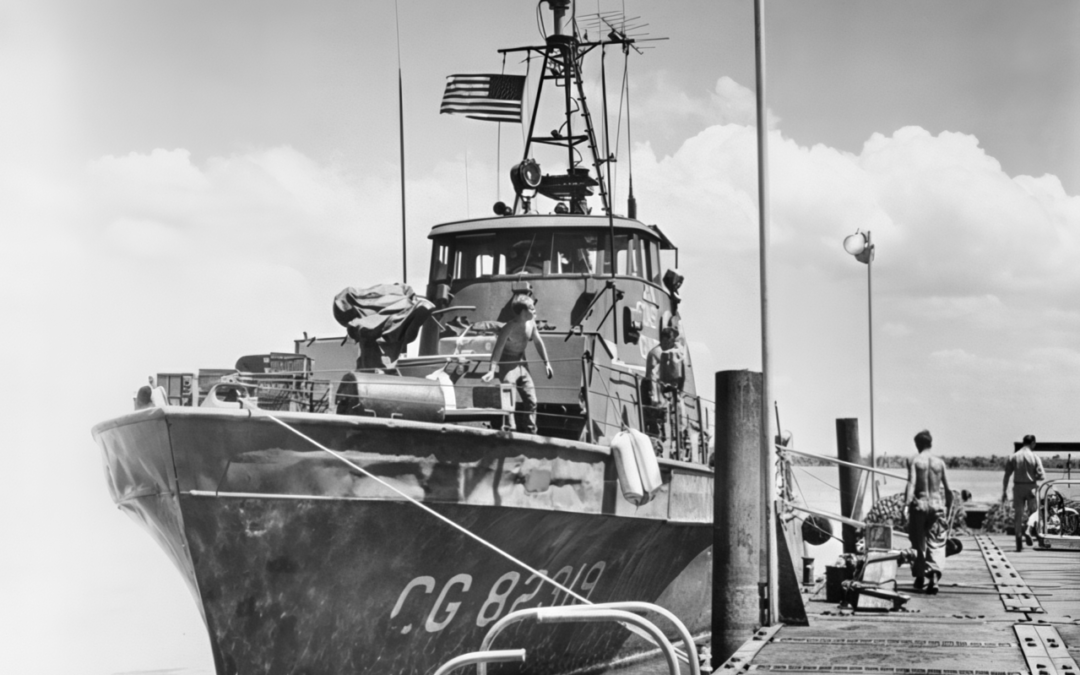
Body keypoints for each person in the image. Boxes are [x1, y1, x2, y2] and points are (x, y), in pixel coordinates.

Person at [481, 293, 553, 434]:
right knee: (508, 401)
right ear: (522, 312)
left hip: (522, 364)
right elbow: (498, 349)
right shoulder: (509, 327)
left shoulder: (531, 324)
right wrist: (491, 370)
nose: (535, 311)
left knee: (532, 400)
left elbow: (538, 342)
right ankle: (509, 430)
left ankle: (531, 431)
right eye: (532, 308)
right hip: (508, 365)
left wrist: (547, 363)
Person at [904, 429, 953, 594]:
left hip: (920, 505)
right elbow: (948, 489)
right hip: (937, 506)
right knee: (936, 543)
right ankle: (934, 577)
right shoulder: (940, 463)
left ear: (917, 444)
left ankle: (919, 577)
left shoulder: (915, 461)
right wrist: (949, 507)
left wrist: (905, 505)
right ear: (930, 443)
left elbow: (911, 483)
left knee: (918, 542)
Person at [644, 326, 686, 447]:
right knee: (656, 424)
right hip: (655, 393)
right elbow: (652, 376)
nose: (673, 343)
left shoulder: (665, 353)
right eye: (671, 340)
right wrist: (655, 399)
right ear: (664, 339)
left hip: (662, 393)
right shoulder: (656, 353)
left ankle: (669, 441)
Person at [1002, 434, 1045, 552]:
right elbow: (1042, 476)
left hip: (1018, 487)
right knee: (1033, 514)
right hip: (1031, 487)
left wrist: (1004, 491)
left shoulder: (1014, 457)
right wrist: (1034, 475)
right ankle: (1028, 530)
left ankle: (1018, 541)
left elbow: (1006, 476)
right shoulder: (1035, 457)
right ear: (1033, 443)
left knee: (1018, 515)